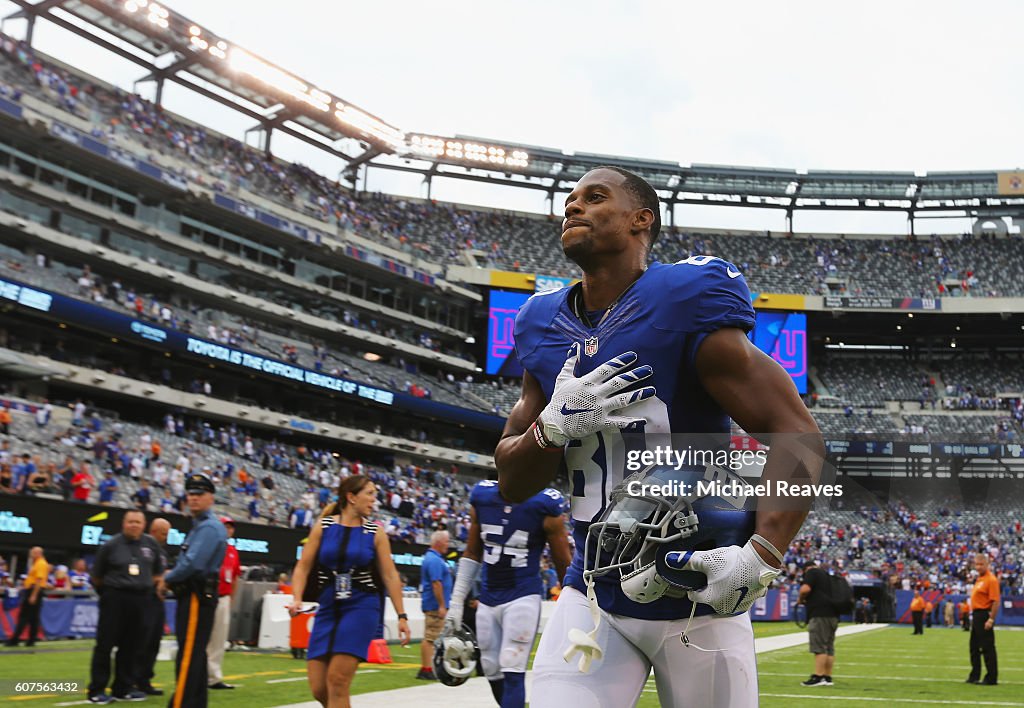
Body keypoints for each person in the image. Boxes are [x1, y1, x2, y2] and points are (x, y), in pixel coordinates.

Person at [494, 166, 823, 706]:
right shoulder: (539, 322)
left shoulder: (685, 299)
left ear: (640, 219)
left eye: (595, 198)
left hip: (699, 595)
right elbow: (510, 479)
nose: (572, 207)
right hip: (592, 593)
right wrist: (550, 429)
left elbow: (798, 436)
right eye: (570, 199)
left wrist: (764, 553)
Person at [287, 474, 411, 708]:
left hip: (362, 607)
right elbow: (302, 566)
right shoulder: (323, 526)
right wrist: (296, 599)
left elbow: (390, 575)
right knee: (319, 688)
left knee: (337, 681)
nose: (375, 500)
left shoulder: (376, 532)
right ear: (351, 497)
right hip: (328, 607)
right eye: (371, 494)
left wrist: (401, 615)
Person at [447, 481, 572, 707]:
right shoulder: (482, 496)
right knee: (491, 668)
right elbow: (473, 551)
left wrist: (573, 605)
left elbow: (562, 561)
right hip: (488, 597)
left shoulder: (544, 503)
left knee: (512, 665)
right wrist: (456, 601)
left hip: (523, 596)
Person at [161, 472, 227, 708]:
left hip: (196, 596)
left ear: (211, 497)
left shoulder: (209, 528)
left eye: (199, 494)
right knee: (195, 654)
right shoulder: (200, 526)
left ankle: (182, 704)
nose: (193, 498)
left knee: (189, 654)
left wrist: (167, 577)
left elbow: (192, 564)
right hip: (195, 595)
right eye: (190, 494)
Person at [87, 509, 165, 704]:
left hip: (141, 600)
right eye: (130, 521)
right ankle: (96, 689)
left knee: (132, 646)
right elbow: (96, 576)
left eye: (138, 522)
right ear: (124, 523)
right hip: (115, 598)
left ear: (144, 524)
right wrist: (109, 594)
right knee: (105, 645)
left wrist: (146, 586)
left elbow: (157, 573)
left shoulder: (151, 545)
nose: (134, 525)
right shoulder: (110, 545)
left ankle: (123, 688)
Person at [137, 517, 172, 697]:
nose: (166, 537)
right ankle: (132, 680)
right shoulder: (143, 549)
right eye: (163, 533)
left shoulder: (161, 552)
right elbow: (141, 575)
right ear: (154, 531)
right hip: (144, 600)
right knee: (141, 642)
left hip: (158, 601)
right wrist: (159, 580)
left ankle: (144, 680)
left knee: (153, 642)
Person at [207, 516, 241, 690]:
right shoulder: (209, 547)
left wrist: (231, 598)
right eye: (225, 526)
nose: (228, 530)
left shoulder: (233, 551)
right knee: (204, 638)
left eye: (230, 527)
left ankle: (214, 677)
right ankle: (199, 675)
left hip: (223, 597)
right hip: (207, 597)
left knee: (219, 639)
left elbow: (234, 576)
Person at [417, 530, 453, 680]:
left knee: (433, 637)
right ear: (438, 542)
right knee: (430, 637)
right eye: (446, 541)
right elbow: (436, 583)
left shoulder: (434, 558)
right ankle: (426, 669)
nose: (448, 545)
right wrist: (441, 605)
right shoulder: (434, 560)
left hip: (434, 604)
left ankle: (429, 667)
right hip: (434, 605)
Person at [798, 561, 839, 687]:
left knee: (819, 647)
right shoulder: (828, 575)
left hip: (820, 614)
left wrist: (800, 600)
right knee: (829, 647)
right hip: (833, 615)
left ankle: (818, 676)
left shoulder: (812, 572)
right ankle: (827, 677)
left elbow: (805, 589)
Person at [4, 546, 49, 647]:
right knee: (33, 618)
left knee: (24, 616)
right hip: (32, 590)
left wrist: (33, 595)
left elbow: (38, 581)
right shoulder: (37, 563)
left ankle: (15, 639)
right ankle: (31, 640)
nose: (30, 555)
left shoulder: (40, 564)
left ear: (38, 553)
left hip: (34, 591)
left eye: (32, 553)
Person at [967, 553, 999, 685]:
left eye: (981, 564)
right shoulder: (979, 579)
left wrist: (991, 619)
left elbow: (995, 602)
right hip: (976, 615)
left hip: (984, 614)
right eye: (977, 564)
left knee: (987, 647)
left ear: (987, 564)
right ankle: (975, 675)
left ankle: (991, 677)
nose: (979, 567)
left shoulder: (991, 580)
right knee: (974, 647)